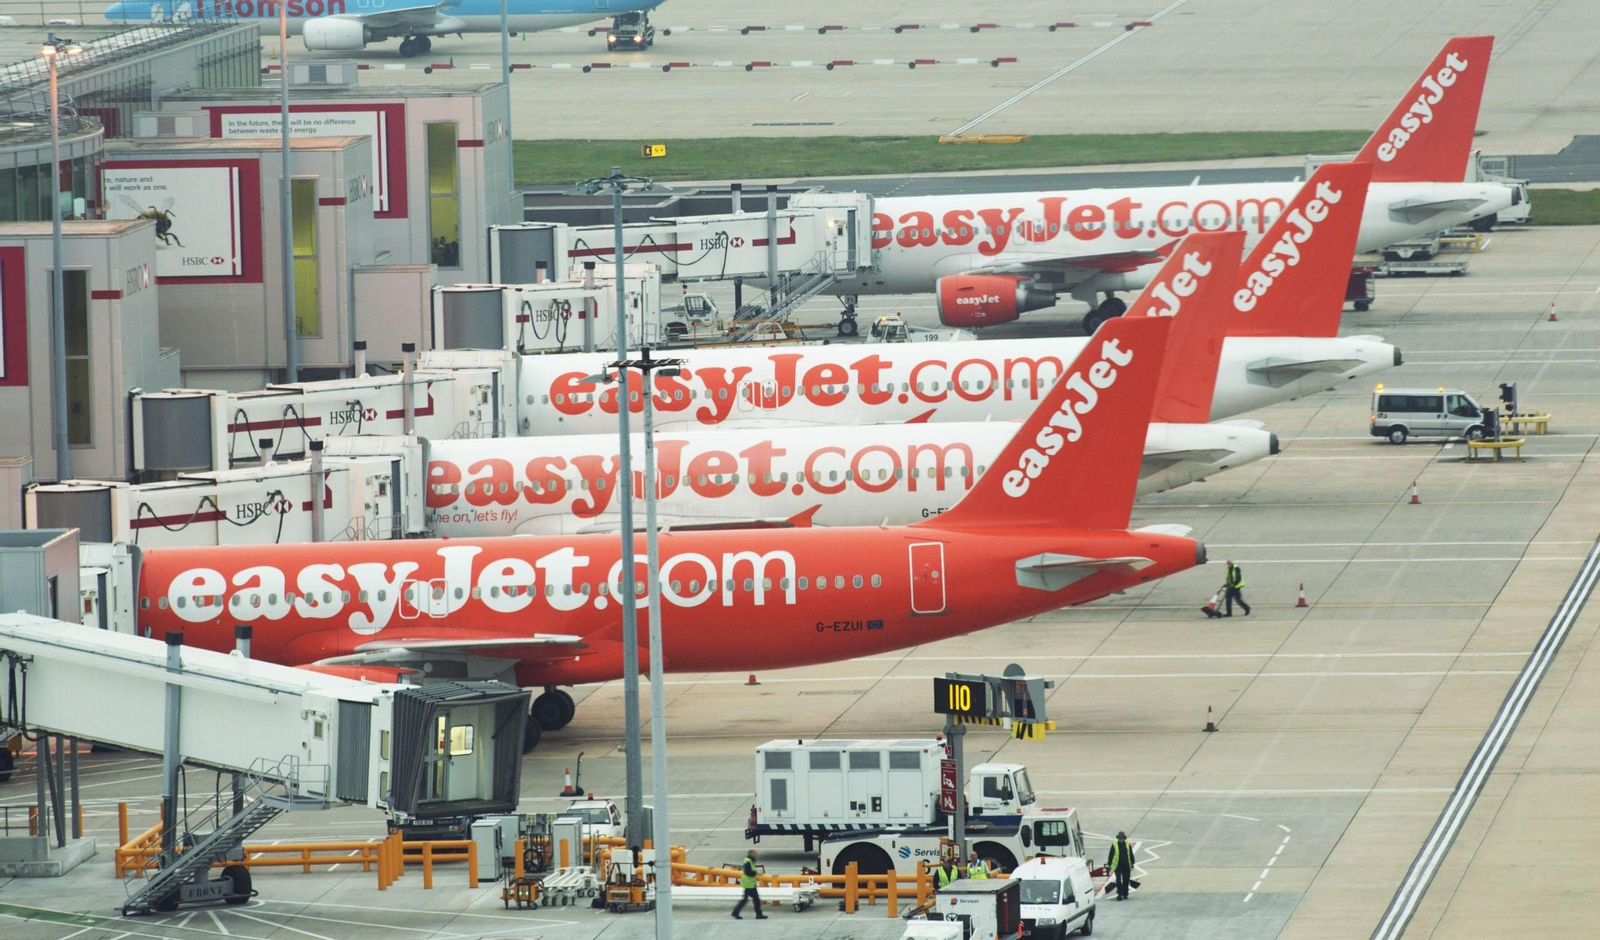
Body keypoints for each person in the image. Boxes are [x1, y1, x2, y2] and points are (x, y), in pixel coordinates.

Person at [732, 848, 767, 919]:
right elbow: (748, 872)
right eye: (754, 853)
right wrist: (756, 873)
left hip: (751, 885)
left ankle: (758, 914)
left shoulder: (750, 861)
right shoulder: (748, 861)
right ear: (751, 854)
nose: (756, 854)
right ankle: (736, 912)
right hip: (749, 885)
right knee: (750, 900)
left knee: (754, 900)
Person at [1107, 832, 1134, 900]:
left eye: (1121, 837)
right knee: (1118, 880)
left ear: (1123, 838)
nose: (1120, 839)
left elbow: (1130, 853)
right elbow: (1111, 854)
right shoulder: (1114, 844)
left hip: (1126, 865)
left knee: (1126, 880)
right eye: (1119, 838)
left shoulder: (1127, 844)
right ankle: (1120, 894)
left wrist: (1132, 862)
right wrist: (1109, 864)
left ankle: (1125, 894)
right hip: (1118, 866)